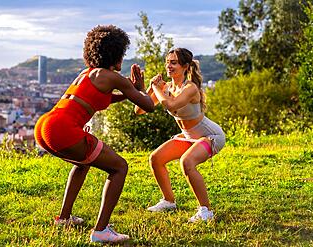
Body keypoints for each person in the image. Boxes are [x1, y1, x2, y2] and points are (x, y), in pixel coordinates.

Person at [34, 25, 154, 243]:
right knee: (119, 167)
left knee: (82, 163)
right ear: (116, 54)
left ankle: (64, 217)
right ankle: (101, 231)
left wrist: (129, 92)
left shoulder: (87, 74)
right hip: (63, 130)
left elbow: (102, 98)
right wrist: (139, 88)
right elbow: (148, 105)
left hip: (45, 127)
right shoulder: (113, 77)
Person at [134, 48, 225, 222]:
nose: (169, 66)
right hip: (188, 135)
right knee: (156, 158)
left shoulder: (190, 88)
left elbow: (170, 104)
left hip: (211, 135)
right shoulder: (167, 87)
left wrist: (156, 88)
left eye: (173, 62)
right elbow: (139, 109)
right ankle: (169, 201)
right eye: (167, 62)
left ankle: (206, 211)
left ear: (185, 67)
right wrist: (148, 89)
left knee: (187, 162)